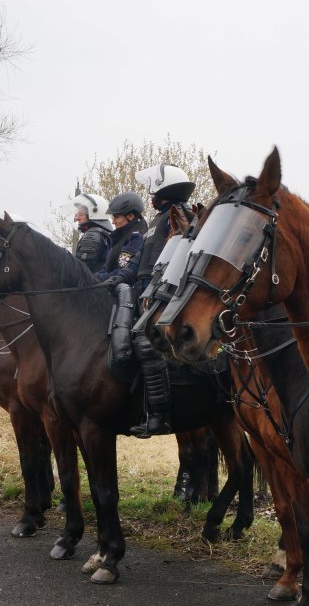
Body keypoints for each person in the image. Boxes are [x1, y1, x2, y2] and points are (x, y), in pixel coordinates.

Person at [104, 163, 196, 438]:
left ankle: (159, 416)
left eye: (153, 190)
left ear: (164, 190)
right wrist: (118, 278)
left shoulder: (180, 215)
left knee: (146, 345)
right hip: (145, 292)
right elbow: (139, 263)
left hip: (167, 294)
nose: (150, 196)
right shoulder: (156, 222)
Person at [95, 192, 147, 282]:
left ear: (130, 216)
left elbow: (122, 271)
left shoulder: (136, 238)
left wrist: (96, 279)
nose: (113, 222)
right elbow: (106, 268)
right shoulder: (119, 238)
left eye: (116, 217)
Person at [70, 193, 112, 273]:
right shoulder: (100, 233)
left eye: (80, 214)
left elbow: (79, 270)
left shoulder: (92, 236)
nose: (77, 218)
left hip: (91, 281)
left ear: (95, 214)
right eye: (77, 214)